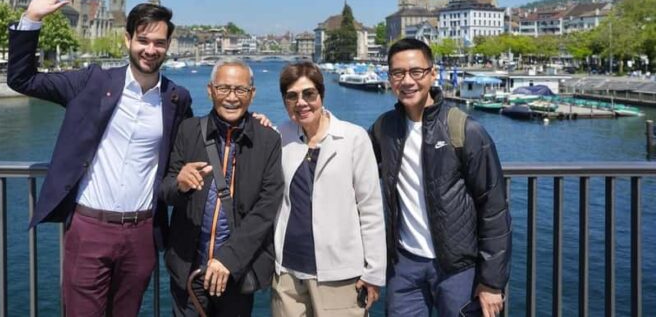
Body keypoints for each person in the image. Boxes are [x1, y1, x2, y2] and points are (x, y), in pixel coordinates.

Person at [6, 0, 193, 317]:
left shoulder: (176, 98)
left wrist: (255, 125)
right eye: (143, 40)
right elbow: (22, 79)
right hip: (89, 227)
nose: (151, 49)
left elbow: (193, 143)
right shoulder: (90, 82)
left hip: (141, 232)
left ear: (168, 45)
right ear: (128, 39)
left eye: (159, 43)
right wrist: (31, 19)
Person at [369, 38, 511, 317]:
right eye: (398, 73)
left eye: (416, 72)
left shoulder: (464, 130)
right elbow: (351, 154)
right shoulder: (384, 128)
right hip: (405, 266)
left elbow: (494, 209)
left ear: (433, 74)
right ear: (389, 78)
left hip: (458, 269)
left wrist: (492, 282)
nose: (407, 81)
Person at [161, 57, 283, 316]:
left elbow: (266, 208)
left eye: (240, 90)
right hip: (189, 268)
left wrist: (229, 260)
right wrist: (180, 185)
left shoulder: (267, 139)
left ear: (252, 94)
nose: (231, 97)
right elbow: (166, 190)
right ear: (210, 90)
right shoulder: (188, 130)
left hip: (236, 272)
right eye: (223, 88)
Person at [272, 62, 386, 316]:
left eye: (309, 94)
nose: (301, 102)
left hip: (340, 275)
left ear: (321, 95)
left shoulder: (353, 138)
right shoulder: (279, 135)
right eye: (292, 96)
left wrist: (374, 272)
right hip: (287, 275)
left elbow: (370, 209)